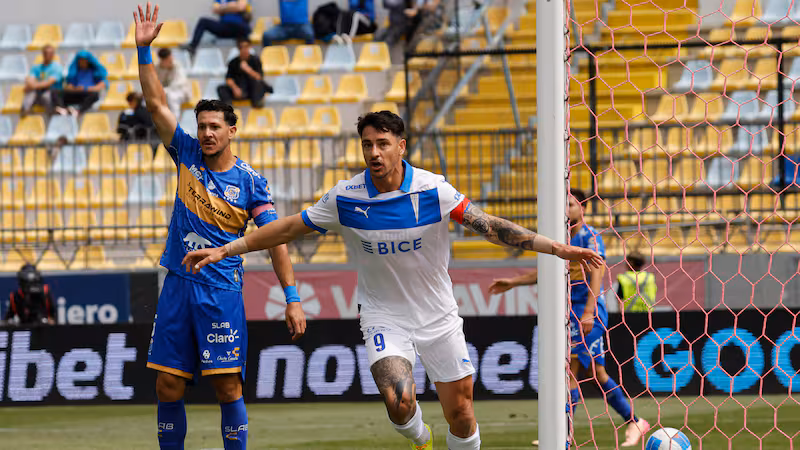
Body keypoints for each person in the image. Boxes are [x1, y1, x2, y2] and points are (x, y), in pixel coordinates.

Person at [182, 110, 604, 450]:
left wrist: (557, 247)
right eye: (367, 144)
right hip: (384, 315)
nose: (374, 152)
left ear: (401, 146)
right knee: (398, 401)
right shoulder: (346, 197)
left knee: (461, 414)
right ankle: (421, 440)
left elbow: (490, 226)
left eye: (383, 143)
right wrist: (226, 249)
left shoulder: (433, 190)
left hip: (438, 315)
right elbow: (289, 227)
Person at [132, 4, 306, 449]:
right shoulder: (186, 154)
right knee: (167, 386)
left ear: (232, 131)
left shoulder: (250, 182)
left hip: (220, 290)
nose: (207, 133)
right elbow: (156, 104)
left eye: (215, 127)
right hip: (177, 284)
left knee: (227, 387)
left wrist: (291, 297)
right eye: (202, 126)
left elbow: (275, 239)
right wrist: (144, 52)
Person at [488, 189, 650, 448]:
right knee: (595, 373)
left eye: (571, 204)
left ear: (582, 208)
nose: (566, 209)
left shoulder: (590, 236)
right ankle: (634, 421)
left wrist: (589, 311)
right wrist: (513, 282)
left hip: (588, 312)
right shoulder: (562, 239)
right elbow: (545, 273)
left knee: (571, 370)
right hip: (571, 312)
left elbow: (597, 269)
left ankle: (564, 435)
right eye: (564, 204)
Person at [183, 0, 252, 57]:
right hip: (224, 27)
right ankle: (192, 47)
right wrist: (232, 5)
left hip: (239, 27)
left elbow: (240, 7)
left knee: (244, 31)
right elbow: (215, 10)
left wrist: (223, 8)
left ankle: (247, 56)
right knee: (203, 21)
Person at [218, 38, 271, 107]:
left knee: (258, 84)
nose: (244, 49)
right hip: (239, 89)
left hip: (251, 90)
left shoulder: (255, 60)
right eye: (241, 47)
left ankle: (257, 103)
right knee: (221, 88)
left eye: (246, 46)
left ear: (250, 47)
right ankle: (229, 107)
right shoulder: (233, 62)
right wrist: (235, 88)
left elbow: (259, 77)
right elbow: (228, 78)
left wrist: (248, 70)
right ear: (238, 48)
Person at [53, 50, 107, 116]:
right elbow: (69, 87)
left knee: (94, 95)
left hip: (88, 94)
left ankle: (78, 111)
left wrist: (85, 88)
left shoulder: (95, 72)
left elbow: (100, 86)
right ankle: (63, 110)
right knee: (56, 91)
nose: (81, 62)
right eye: (80, 60)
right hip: (77, 93)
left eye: (83, 60)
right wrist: (75, 89)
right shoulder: (74, 71)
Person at [21, 44, 62, 118]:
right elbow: (30, 80)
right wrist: (31, 85)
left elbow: (49, 83)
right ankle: (25, 111)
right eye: (45, 53)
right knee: (31, 93)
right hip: (38, 93)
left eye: (50, 53)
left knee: (46, 95)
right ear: (43, 54)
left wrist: (33, 85)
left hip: (52, 95)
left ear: (53, 55)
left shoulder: (57, 67)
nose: (47, 55)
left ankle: (52, 116)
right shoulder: (36, 68)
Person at [156, 48, 191, 117]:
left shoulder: (177, 66)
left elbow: (178, 84)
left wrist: (164, 90)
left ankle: (174, 122)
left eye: (171, 59)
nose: (171, 61)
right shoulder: (157, 67)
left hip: (182, 92)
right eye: (169, 60)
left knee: (171, 97)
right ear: (162, 61)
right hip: (164, 92)